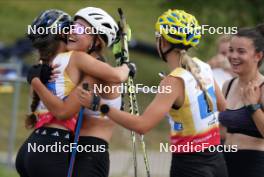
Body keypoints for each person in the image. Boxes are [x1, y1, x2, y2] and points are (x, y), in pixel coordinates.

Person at [78, 9, 228, 177]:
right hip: (217, 160)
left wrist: (99, 104)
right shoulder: (204, 67)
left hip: (190, 165)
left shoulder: (173, 81)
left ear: (162, 42)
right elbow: (221, 105)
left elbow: (142, 126)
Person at [15, 9, 132, 177]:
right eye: (71, 27)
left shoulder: (72, 63)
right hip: (60, 148)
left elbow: (114, 76)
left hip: (38, 146)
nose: (71, 32)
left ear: (96, 42)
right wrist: (127, 67)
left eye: (79, 29)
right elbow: (63, 112)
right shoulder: (77, 61)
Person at [219, 24, 264, 177]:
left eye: (241, 51)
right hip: (224, 163)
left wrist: (253, 106)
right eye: (231, 50)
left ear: (258, 56)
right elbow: (220, 131)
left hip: (254, 166)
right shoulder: (228, 85)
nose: (233, 56)